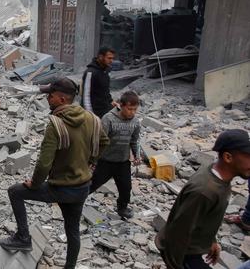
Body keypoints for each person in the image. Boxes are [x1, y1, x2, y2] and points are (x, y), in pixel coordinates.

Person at [0, 78, 109, 269]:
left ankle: (23, 237)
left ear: (62, 99)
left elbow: (43, 164)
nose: (48, 98)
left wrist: (34, 184)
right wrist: (91, 161)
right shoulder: (92, 119)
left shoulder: (56, 124)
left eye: (51, 95)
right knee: (72, 230)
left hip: (61, 188)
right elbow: (105, 142)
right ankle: (70, 266)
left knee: (15, 192)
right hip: (82, 187)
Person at [156, 129, 250, 269]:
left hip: (195, 246)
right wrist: (174, 265)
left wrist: (211, 241)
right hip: (184, 253)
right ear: (228, 157)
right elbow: (178, 232)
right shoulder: (205, 192)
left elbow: (206, 217)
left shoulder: (219, 176)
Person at [88, 91, 142, 219]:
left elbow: (135, 140)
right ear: (120, 105)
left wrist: (136, 155)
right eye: (129, 109)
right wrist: (92, 160)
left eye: (135, 109)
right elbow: (99, 141)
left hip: (123, 162)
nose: (132, 112)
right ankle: (75, 199)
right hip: (105, 161)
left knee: (125, 188)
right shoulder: (108, 119)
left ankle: (122, 208)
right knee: (92, 184)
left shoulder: (135, 122)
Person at [81, 46, 116, 118]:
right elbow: (86, 97)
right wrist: (90, 116)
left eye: (112, 58)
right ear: (100, 57)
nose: (111, 61)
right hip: (94, 113)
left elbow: (105, 90)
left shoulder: (106, 71)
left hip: (105, 111)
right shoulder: (90, 72)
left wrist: (111, 101)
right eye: (109, 58)